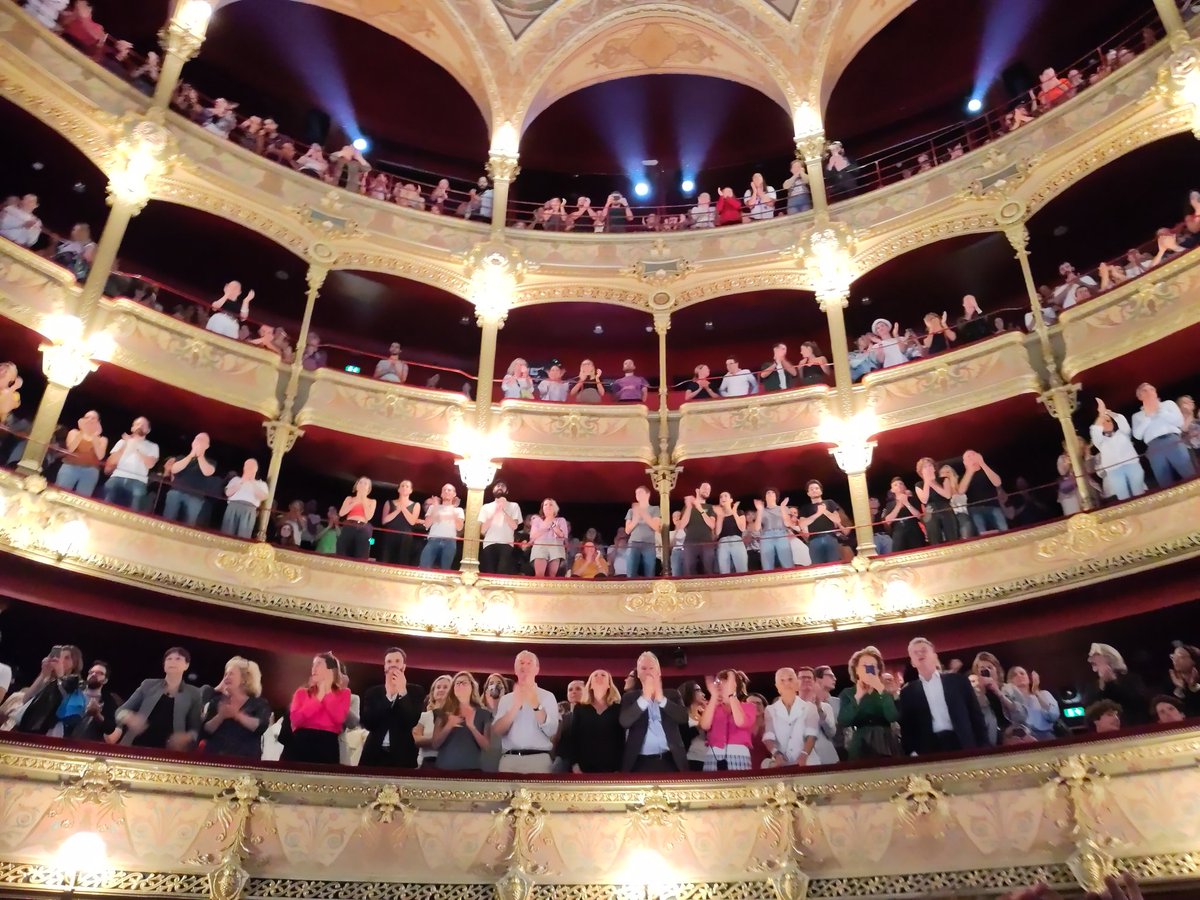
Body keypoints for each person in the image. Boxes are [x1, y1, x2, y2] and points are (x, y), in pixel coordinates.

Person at [899, 638, 988, 754]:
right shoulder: (908, 692)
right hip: (929, 748)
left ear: (935, 656)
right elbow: (907, 727)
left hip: (962, 742)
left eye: (923, 650)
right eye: (915, 653)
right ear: (912, 662)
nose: (920, 654)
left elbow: (976, 715)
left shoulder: (958, 681)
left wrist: (984, 746)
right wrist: (912, 752)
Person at [114, 647, 203, 750]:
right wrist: (127, 716)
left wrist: (187, 737)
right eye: (169, 659)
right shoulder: (148, 685)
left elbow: (195, 728)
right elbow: (119, 711)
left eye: (178, 658)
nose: (172, 661)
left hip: (171, 751)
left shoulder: (194, 693)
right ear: (164, 665)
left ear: (186, 665)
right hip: (136, 746)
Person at [492, 651, 559, 773]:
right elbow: (497, 731)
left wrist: (536, 705)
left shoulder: (548, 696)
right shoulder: (506, 699)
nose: (525, 666)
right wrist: (514, 707)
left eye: (529, 663)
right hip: (510, 761)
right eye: (521, 663)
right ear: (515, 669)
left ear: (537, 669)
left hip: (539, 761)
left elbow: (551, 730)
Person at [620, 651, 687, 772]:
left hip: (670, 760)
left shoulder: (672, 694)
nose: (648, 671)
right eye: (643, 668)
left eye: (651, 668)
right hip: (639, 762)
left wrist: (662, 699)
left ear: (659, 672)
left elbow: (683, 718)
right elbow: (625, 721)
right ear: (638, 674)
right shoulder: (629, 698)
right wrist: (644, 698)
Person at [358, 648, 425, 768]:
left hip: (402, 756)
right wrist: (388, 696)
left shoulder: (415, 691)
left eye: (397, 661)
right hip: (373, 754)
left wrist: (402, 691)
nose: (393, 664)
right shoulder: (373, 692)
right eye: (389, 662)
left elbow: (411, 720)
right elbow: (368, 723)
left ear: (403, 666)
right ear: (384, 667)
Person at [283, 652, 351, 765]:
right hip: (300, 743)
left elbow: (338, 719)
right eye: (313, 664)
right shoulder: (301, 693)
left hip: (327, 744)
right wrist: (319, 696)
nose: (314, 668)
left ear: (331, 670)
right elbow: (296, 720)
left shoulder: (344, 693)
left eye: (319, 664)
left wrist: (327, 691)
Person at [836, 646, 898, 759]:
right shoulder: (848, 693)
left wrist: (881, 690)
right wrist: (858, 697)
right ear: (856, 670)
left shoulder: (885, 691)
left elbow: (892, 716)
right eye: (865, 666)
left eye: (872, 666)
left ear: (878, 670)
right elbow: (843, 720)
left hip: (886, 742)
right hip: (860, 743)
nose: (869, 669)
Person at [201, 657, 271, 758]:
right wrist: (220, 716)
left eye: (231, 674)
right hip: (215, 760)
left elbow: (261, 727)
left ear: (243, 679)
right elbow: (205, 731)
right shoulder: (216, 701)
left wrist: (237, 715)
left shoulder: (259, 703)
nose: (226, 678)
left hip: (245, 763)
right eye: (225, 674)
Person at [1130, 383, 1195, 488]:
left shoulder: (1168, 404)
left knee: (1189, 473)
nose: (1149, 392)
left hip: (1173, 441)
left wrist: (1160, 411)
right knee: (1164, 481)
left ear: (1155, 392)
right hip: (1154, 447)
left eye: (1151, 389)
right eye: (1144, 391)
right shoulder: (1137, 416)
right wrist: (1148, 416)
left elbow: (1179, 422)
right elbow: (1137, 436)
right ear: (1139, 396)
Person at [559, 669, 623, 773]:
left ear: (609, 685)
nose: (599, 676)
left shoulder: (618, 709)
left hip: (611, 768)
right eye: (595, 675)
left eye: (603, 675)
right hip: (584, 768)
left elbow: (620, 740)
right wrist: (575, 764)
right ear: (590, 685)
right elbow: (574, 738)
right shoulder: (580, 708)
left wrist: (619, 768)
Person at [15, 645, 84, 735]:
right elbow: (26, 699)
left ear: (75, 663)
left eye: (67, 658)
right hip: (29, 726)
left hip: (51, 730)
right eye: (59, 656)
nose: (61, 660)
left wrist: (61, 675)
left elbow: (65, 702)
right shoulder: (48, 680)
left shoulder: (76, 682)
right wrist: (43, 674)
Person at [432, 671, 492, 771]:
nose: (460, 685)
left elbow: (487, 747)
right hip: (444, 770)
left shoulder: (483, 714)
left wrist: (472, 727)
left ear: (472, 687)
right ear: (453, 689)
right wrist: (448, 726)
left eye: (464, 683)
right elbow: (435, 744)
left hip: (471, 771)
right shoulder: (442, 713)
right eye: (457, 683)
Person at [1090, 399, 1147, 501]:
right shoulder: (1101, 441)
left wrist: (1108, 413)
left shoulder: (1123, 433)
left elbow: (1122, 421)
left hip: (1132, 465)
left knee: (1139, 495)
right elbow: (1095, 430)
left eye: (1108, 421)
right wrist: (1101, 415)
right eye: (1103, 422)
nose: (1106, 423)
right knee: (1123, 498)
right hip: (1114, 471)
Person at [763, 667, 819, 768]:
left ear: (797, 683)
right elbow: (768, 737)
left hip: (807, 763)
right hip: (781, 764)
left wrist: (804, 754)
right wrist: (776, 754)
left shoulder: (809, 707)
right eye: (782, 680)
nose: (786, 683)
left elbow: (811, 735)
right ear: (777, 686)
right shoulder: (770, 710)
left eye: (790, 679)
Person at [103, 416, 160, 511]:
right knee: (106, 501)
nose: (140, 426)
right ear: (132, 428)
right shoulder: (122, 442)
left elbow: (150, 464)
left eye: (144, 425)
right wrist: (126, 444)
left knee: (134, 509)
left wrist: (136, 448)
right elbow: (111, 462)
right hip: (118, 476)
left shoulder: (153, 446)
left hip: (138, 481)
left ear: (148, 430)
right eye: (137, 424)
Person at [1085, 643, 1150, 725]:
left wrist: (1110, 683)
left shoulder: (1132, 680)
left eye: (1097, 656)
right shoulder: (1092, 687)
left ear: (1109, 658)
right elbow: (1091, 711)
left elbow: (1139, 703)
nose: (1092, 660)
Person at [163, 432, 218, 527]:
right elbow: (174, 469)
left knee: (189, 524)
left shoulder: (211, 462)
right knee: (168, 519)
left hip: (195, 496)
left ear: (207, 446)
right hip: (177, 491)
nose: (199, 441)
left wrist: (200, 456)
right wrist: (191, 456)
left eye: (202, 440)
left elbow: (208, 472)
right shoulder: (181, 458)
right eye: (197, 439)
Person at [56, 410, 107, 497]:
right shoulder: (74, 432)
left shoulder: (102, 439)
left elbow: (100, 456)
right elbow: (71, 449)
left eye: (93, 418)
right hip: (70, 467)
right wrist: (82, 431)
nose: (90, 420)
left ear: (98, 422)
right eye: (87, 417)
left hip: (91, 471)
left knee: (83, 498)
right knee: (60, 493)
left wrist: (95, 436)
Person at [797, 480, 849, 564]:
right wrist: (818, 513)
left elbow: (837, 519)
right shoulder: (805, 508)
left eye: (816, 488)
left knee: (834, 565)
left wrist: (824, 511)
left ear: (821, 491)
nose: (814, 490)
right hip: (814, 540)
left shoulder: (830, 502)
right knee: (818, 567)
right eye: (811, 489)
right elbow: (802, 524)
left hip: (830, 538)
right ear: (808, 493)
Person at [959, 450, 1008, 534]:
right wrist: (970, 470)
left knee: (1003, 529)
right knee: (981, 532)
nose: (971, 458)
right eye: (968, 457)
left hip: (993, 506)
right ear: (964, 462)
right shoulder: (963, 477)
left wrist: (982, 463)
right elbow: (961, 491)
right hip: (975, 509)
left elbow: (998, 483)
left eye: (973, 455)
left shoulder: (988, 470)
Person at [1005, 666, 1060, 740]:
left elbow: (1054, 716)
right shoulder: (1009, 702)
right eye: (1014, 675)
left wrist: (1036, 692)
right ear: (1009, 682)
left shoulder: (1044, 694)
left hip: (1046, 737)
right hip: (1022, 740)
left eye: (1022, 673)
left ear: (1029, 678)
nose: (1019, 676)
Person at [478, 481, 521, 575]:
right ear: (493, 490)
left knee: (502, 572)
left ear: (507, 491)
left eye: (503, 485)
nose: (500, 487)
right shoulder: (486, 507)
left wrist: (503, 510)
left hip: (506, 543)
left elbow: (514, 526)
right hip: (489, 543)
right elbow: (482, 530)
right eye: (497, 485)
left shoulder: (514, 505)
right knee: (489, 573)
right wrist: (495, 512)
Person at [797, 666, 838, 765]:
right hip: (800, 759)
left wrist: (819, 709)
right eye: (802, 677)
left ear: (815, 682)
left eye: (809, 678)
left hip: (826, 759)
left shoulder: (826, 707)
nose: (806, 680)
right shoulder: (789, 708)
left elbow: (831, 732)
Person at [419, 483, 465, 570]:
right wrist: (436, 506)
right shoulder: (433, 507)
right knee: (424, 567)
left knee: (445, 570)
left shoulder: (458, 510)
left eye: (449, 490)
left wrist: (452, 508)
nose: (446, 491)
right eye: (444, 490)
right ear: (441, 494)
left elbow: (459, 527)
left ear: (454, 494)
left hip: (450, 542)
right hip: (433, 540)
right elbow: (427, 524)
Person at [915, 457, 959, 545]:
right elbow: (924, 499)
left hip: (945, 508)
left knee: (952, 537)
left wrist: (932, 483)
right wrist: (927, 482)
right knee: (934, 538)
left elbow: (947, 495)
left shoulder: (944, 479)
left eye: (930, 465)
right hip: (930, 511)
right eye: (925, 467)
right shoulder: (919, 485)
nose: (928, 468)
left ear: (934, 468)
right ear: (921, 472)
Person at [379, 480, 422, 566]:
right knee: (385, 560)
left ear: (411, 490)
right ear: (398, 489)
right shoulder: (389, 502)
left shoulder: (416, 505)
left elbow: (412, 521)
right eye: (402, 486)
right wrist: (397, 510)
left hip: (405, 537)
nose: (404, 488)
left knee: (402, 562)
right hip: (390, 534)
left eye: (407, 486)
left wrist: (403, 508)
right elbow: (384, 520)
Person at [623, 485, 661, 578]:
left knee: (649, 572)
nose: (637, 495)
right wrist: (636, 518)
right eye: (636, 493)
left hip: (649, 544)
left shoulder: (655, 509)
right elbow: (627, 530)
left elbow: (656, 527)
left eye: (640, 492)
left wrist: (643, 513)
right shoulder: (631, 511)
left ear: (648, 494)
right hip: (633, 543)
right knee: (631, 571)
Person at [335, 477, 376, 559]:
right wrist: (355, 502)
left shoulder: (372, 501)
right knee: (343, 551)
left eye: (365, 484)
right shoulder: (349, 499)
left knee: (362, 553)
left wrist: (363, 499)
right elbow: (341, 513)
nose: (362, 485)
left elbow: (369, 516)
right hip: (349, 524)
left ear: (369, 488)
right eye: (360, 482)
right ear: (356, 486)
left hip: (363, 527)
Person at [680, 483, 716, 576]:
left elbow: (712, 525)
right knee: (688, 571)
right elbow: (682, 525)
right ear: (697, 490)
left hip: (707, 543)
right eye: (704, 488)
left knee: (708, 570)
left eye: (709, 489)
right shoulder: (688, 507)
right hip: (690, 543)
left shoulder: (710, 507)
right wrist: (689, 507)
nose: (707, 490)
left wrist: (700, 508)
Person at [755, 489, 794, 571]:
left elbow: (788, 524)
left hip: (781, 534)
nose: (770, 494)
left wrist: (783, 507)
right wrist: (759, 510)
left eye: (773, 493)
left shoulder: (783, 508)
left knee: (787, 563)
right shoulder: (761, 510)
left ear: (776, 496)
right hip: (766, 536)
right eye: (768, 493)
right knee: (767, 566)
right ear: (765, 497)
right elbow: (757, 528)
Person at [529, 498, 568, 577]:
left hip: (556, 546)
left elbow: (562, 535)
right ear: (542, 508)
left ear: (555, 508)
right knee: (539, 574)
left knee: (552, 575)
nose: (548, 506)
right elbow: (533, 536)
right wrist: (547, 524)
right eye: (545, 505)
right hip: (540, 545)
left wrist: (553, 524)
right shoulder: (537, 520)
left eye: (551, 504)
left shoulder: (561, 520)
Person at [713, 491, 748, 574]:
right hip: (723, 543)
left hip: (737, 541)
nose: (722, 498)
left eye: (725, 496)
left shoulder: (739, 512)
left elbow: (742, 528)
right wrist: (720, 516)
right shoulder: (717, 515)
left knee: (742, 571)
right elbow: (717, 532)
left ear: (731, 500)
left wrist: (734, 511)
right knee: (724, 572)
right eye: (721, 497)